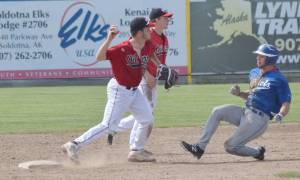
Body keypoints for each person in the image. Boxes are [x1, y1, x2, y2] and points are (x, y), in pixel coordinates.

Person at [62, 17, 161, 163]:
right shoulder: (121, 49)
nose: (150, 30)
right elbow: (99, 57)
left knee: (147, 118)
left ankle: (136, 151)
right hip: (119, 90)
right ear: (139, 32)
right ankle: (74, 144)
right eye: (147, 28)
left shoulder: (147, 45)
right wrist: (109, 39)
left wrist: (161, 66)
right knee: (108, 125)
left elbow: (151, 54)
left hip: (135, 90)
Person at [181, 44, 292, 160]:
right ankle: (199, 148)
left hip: (258, 120)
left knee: (230, 146)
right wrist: (239, 93)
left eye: (261, 56)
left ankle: (257, 153)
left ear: (270, 59)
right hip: (245, 112)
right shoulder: (255, 73)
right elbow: (253, 95)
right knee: (217, 111)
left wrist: (281, 114)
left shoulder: (279, 79)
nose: (257, 58)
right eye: (258, 56)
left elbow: (286, 103)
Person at [107, 8, 173, 148]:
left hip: (153, 79)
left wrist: (165, 73)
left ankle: (115, 128)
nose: (168, 20)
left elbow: (157, 60)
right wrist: (146, 75)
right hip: (144, 78)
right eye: (164, 18)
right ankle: (134, 146)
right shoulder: (148, 35)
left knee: (146, 113)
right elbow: (134, 53)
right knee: (147, 115)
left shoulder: (163, 38)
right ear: (155, 21)